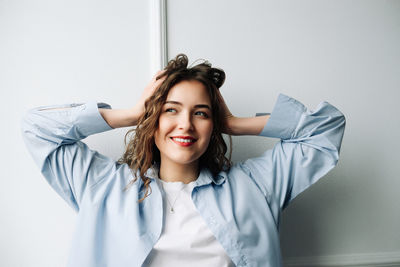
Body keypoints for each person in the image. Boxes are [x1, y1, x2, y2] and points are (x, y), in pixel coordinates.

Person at [21, 54, 346, 267]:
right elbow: (37, 127)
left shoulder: (256, 186)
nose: (186, 125)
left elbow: (325, 129)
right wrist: (133, 113)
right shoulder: (102, 186)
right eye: (170, 110)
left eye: (200, 113)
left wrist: (232, 123)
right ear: (153, 119)